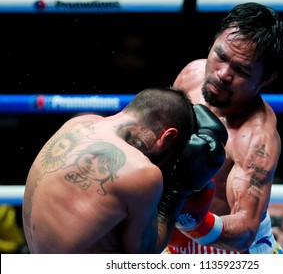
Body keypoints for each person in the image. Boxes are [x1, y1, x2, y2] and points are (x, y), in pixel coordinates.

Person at [22, 87, 228, 253]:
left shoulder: (77, 124)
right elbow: (144, 255)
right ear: (168, 136)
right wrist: (179, 189)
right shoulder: (142, 171)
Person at [165, 2, 283, 254]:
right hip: (178, 243)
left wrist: (188, 218)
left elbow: (244, 231)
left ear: (266, 78)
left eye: (241, 70)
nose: (223, 74)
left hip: (238, 253)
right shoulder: (192, 74)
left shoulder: (256, 137)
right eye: (221, 56)